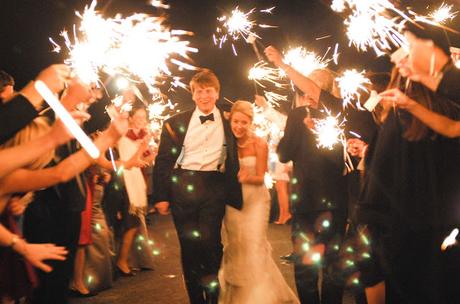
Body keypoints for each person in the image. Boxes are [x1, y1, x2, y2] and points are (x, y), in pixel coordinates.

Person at [266, 46, 348, 304]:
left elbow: (286, 155)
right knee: (318, 264)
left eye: (311, 88)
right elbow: (286, 154)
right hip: (319, 202)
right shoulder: (307, 115)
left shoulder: (331, 116)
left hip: (321, 202)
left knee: (319, 265)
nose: (307, 94)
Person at [152, 69, 242, 304]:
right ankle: (196, 300)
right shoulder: (174, 123)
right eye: (199, 91)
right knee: (189, 247)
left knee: (211, 243)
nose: (204, 96)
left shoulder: (229, 119)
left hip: (214, 186)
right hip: (183, 186)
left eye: (209, 91)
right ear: (192, 95)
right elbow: (163, 161)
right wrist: (161, 196)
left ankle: (214, 297)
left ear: (217, 93)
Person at [218, 100, 299, 303]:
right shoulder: (225, 143)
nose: (238, 126)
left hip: (256, 201)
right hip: (233, 203)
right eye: (236, 121)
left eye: (243, 122)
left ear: (250, 122)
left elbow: (261, 176)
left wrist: (247, 177)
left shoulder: (259, 143)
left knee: (253, 245)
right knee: (236, 246)